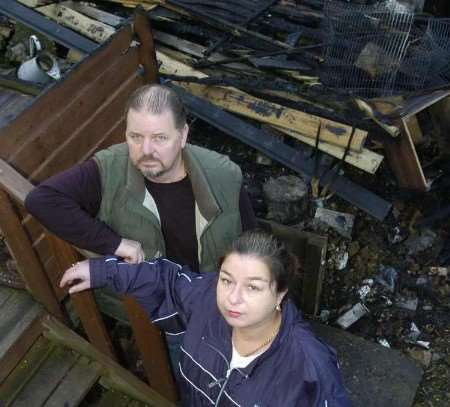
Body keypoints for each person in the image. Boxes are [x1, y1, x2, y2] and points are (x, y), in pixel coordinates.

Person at [60, 230, 351, 407]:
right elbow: (166, 280)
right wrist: (102, 271)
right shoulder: (207, 300)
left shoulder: (309, 366)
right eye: (226, 280)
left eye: (253, 287)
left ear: (279, 294)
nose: (233, 298)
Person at [24, 83, 256, 272]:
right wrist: (115, 244)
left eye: (159, 138)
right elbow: (41, 200)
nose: (146, 150)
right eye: (135, 136)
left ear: (183, 135)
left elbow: (252, 243)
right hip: (150, 306)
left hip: (212, 298)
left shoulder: (225, 175)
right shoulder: (109, 168)